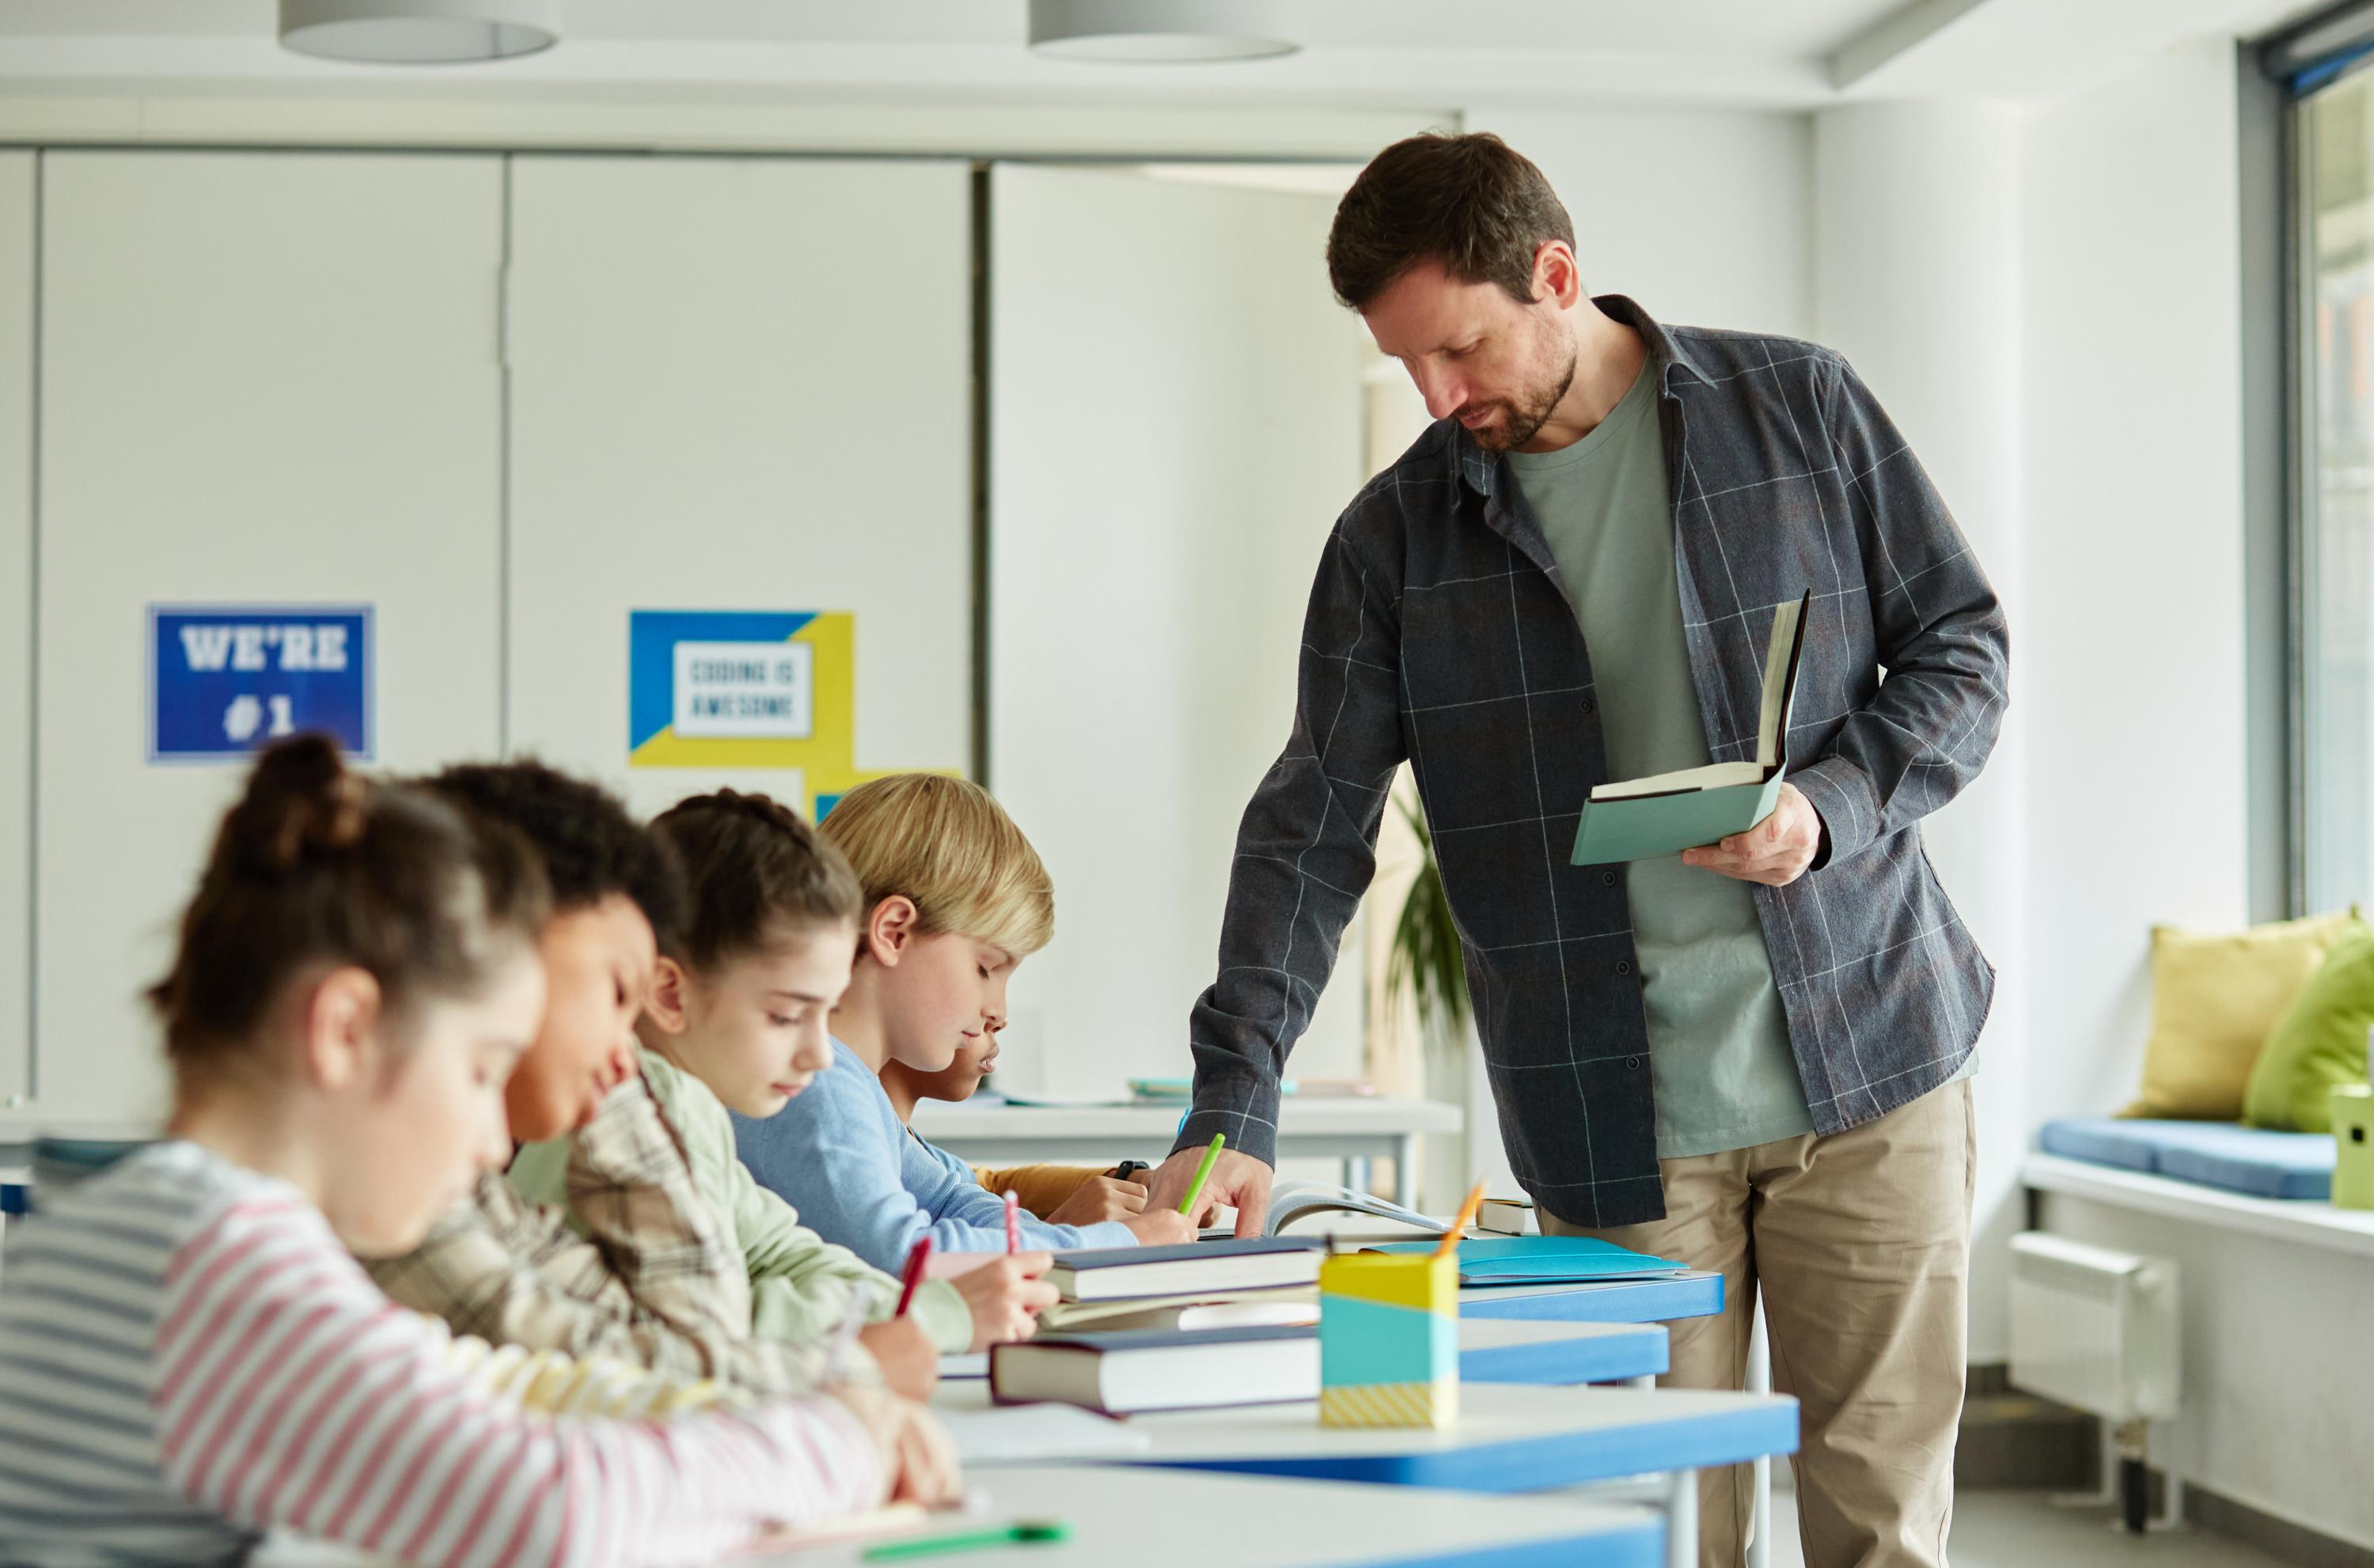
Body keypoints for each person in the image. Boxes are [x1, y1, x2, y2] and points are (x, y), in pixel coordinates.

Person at [1143, 132, 2007, 1568]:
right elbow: (1312, 823)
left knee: (1884, 1528)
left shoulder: (1798, 406)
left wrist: (1830, 806)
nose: (1436, 397)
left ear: (1557, 275)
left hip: (1872, 1062)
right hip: (1613, 1119)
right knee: (1652, 1537)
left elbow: (1962, 651)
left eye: (1460, 350)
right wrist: (1236, 1097)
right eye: (1406, 363)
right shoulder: (1395, 538)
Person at [0, 736, 952, 1566]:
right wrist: (841, 1444)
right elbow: (549, 1509)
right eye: (479, 1068)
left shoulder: (190, 1223)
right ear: (345, 1030)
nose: (494, 1134)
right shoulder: (221, 1257)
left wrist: (830, 1397)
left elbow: (507, 1383)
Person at [508, 786, 1053, 1385]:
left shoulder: (688, 1105)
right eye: (787, 1016)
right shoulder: (634, 1115)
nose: (819, 1052)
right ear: (669, 994)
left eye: (823, 1016)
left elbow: (783, 1252)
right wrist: (932, 1317)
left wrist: (915, 1311)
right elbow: (711, 1326)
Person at [736, 774, 1196, 1269]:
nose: (997, 1009)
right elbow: (903, 1254)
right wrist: (1116, 1245)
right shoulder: (816, 1084)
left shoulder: (852, 1085)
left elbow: (954, 1198)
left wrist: (1085, 1235)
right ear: (893, 933)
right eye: (985, 969)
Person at [882, 1028, 1155, 1227]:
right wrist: (1058, 1233)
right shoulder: (869, 1144)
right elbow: (902, 1255)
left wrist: (1131, 1181)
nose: (999, 1017)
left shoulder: (905, 1142)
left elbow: (990, 1185)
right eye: (983, 970)